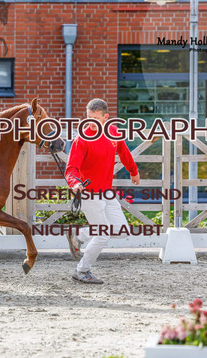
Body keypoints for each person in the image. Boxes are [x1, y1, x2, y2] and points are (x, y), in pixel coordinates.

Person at [64, 98, 140, 284]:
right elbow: (71, 168)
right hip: (89, 192)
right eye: (88, 118)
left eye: (95, 119)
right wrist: (75, 182)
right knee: (103, 234)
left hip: (107, 192)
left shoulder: (114, 132)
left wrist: (133, 171)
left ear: (106, 117)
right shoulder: (82, 139)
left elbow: (124, 152)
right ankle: (82, 271)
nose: (90, 122)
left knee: (122, 230)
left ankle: (79, 235)